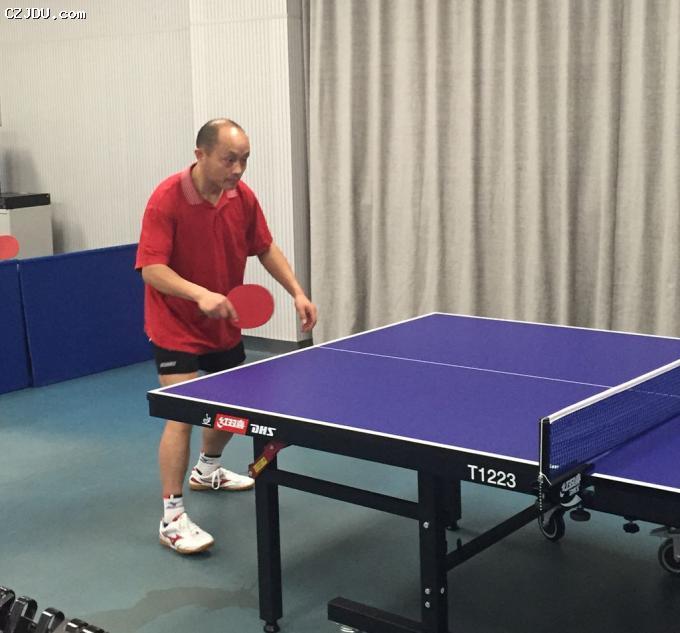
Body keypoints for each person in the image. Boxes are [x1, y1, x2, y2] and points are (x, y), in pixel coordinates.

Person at [135, 118, 317, 554]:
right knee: (183, 414)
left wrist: (296, 291)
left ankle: (207, 470)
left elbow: (264, 247)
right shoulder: (166, 199)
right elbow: (151, 268)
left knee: (231, 408)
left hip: (222, 322)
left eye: (244, 160)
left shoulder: (242, 197)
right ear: (200, 155)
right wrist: (199, 294)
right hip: (175, 324)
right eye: (229, 159)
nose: (238, 169)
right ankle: (172, 517)